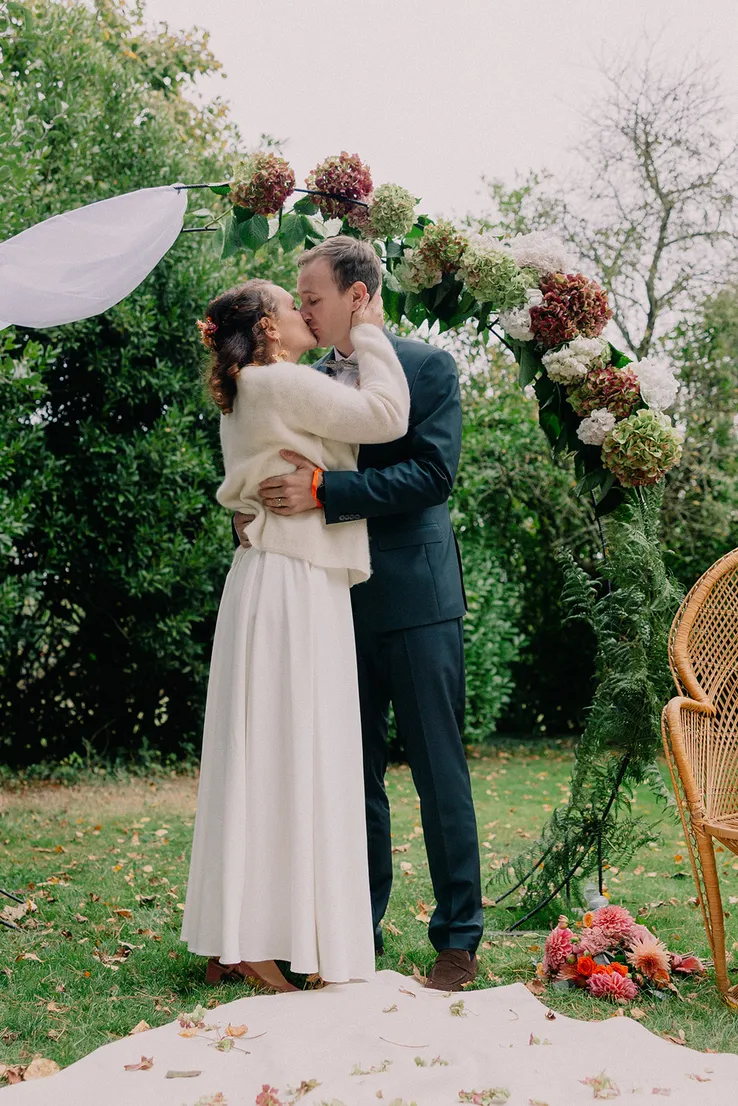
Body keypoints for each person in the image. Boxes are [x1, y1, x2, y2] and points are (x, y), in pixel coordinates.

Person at [237, 237, 484, 991]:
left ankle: (457, 939)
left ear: (358, 293)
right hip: (331, 599)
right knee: (351, 773)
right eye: (297, 298)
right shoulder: (304, 379)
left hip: (415, 598)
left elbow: (432, 474)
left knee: (439, 771)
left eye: (311, 296)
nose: (301, 308)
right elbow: (274, 462)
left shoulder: (429, 367)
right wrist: (255, 512)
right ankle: (356, 927)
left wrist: (324, 494)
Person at [180, 276, 410, 991]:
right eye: (291, 304)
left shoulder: (251, 385)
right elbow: (386, 415)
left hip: (271, 574)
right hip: (293, 580)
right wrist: (368, 329)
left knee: (265, 753)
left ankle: (241, 931)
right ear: (271, 328)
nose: (303, 311)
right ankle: (254, 941)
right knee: (295, 751)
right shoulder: (276, 380)